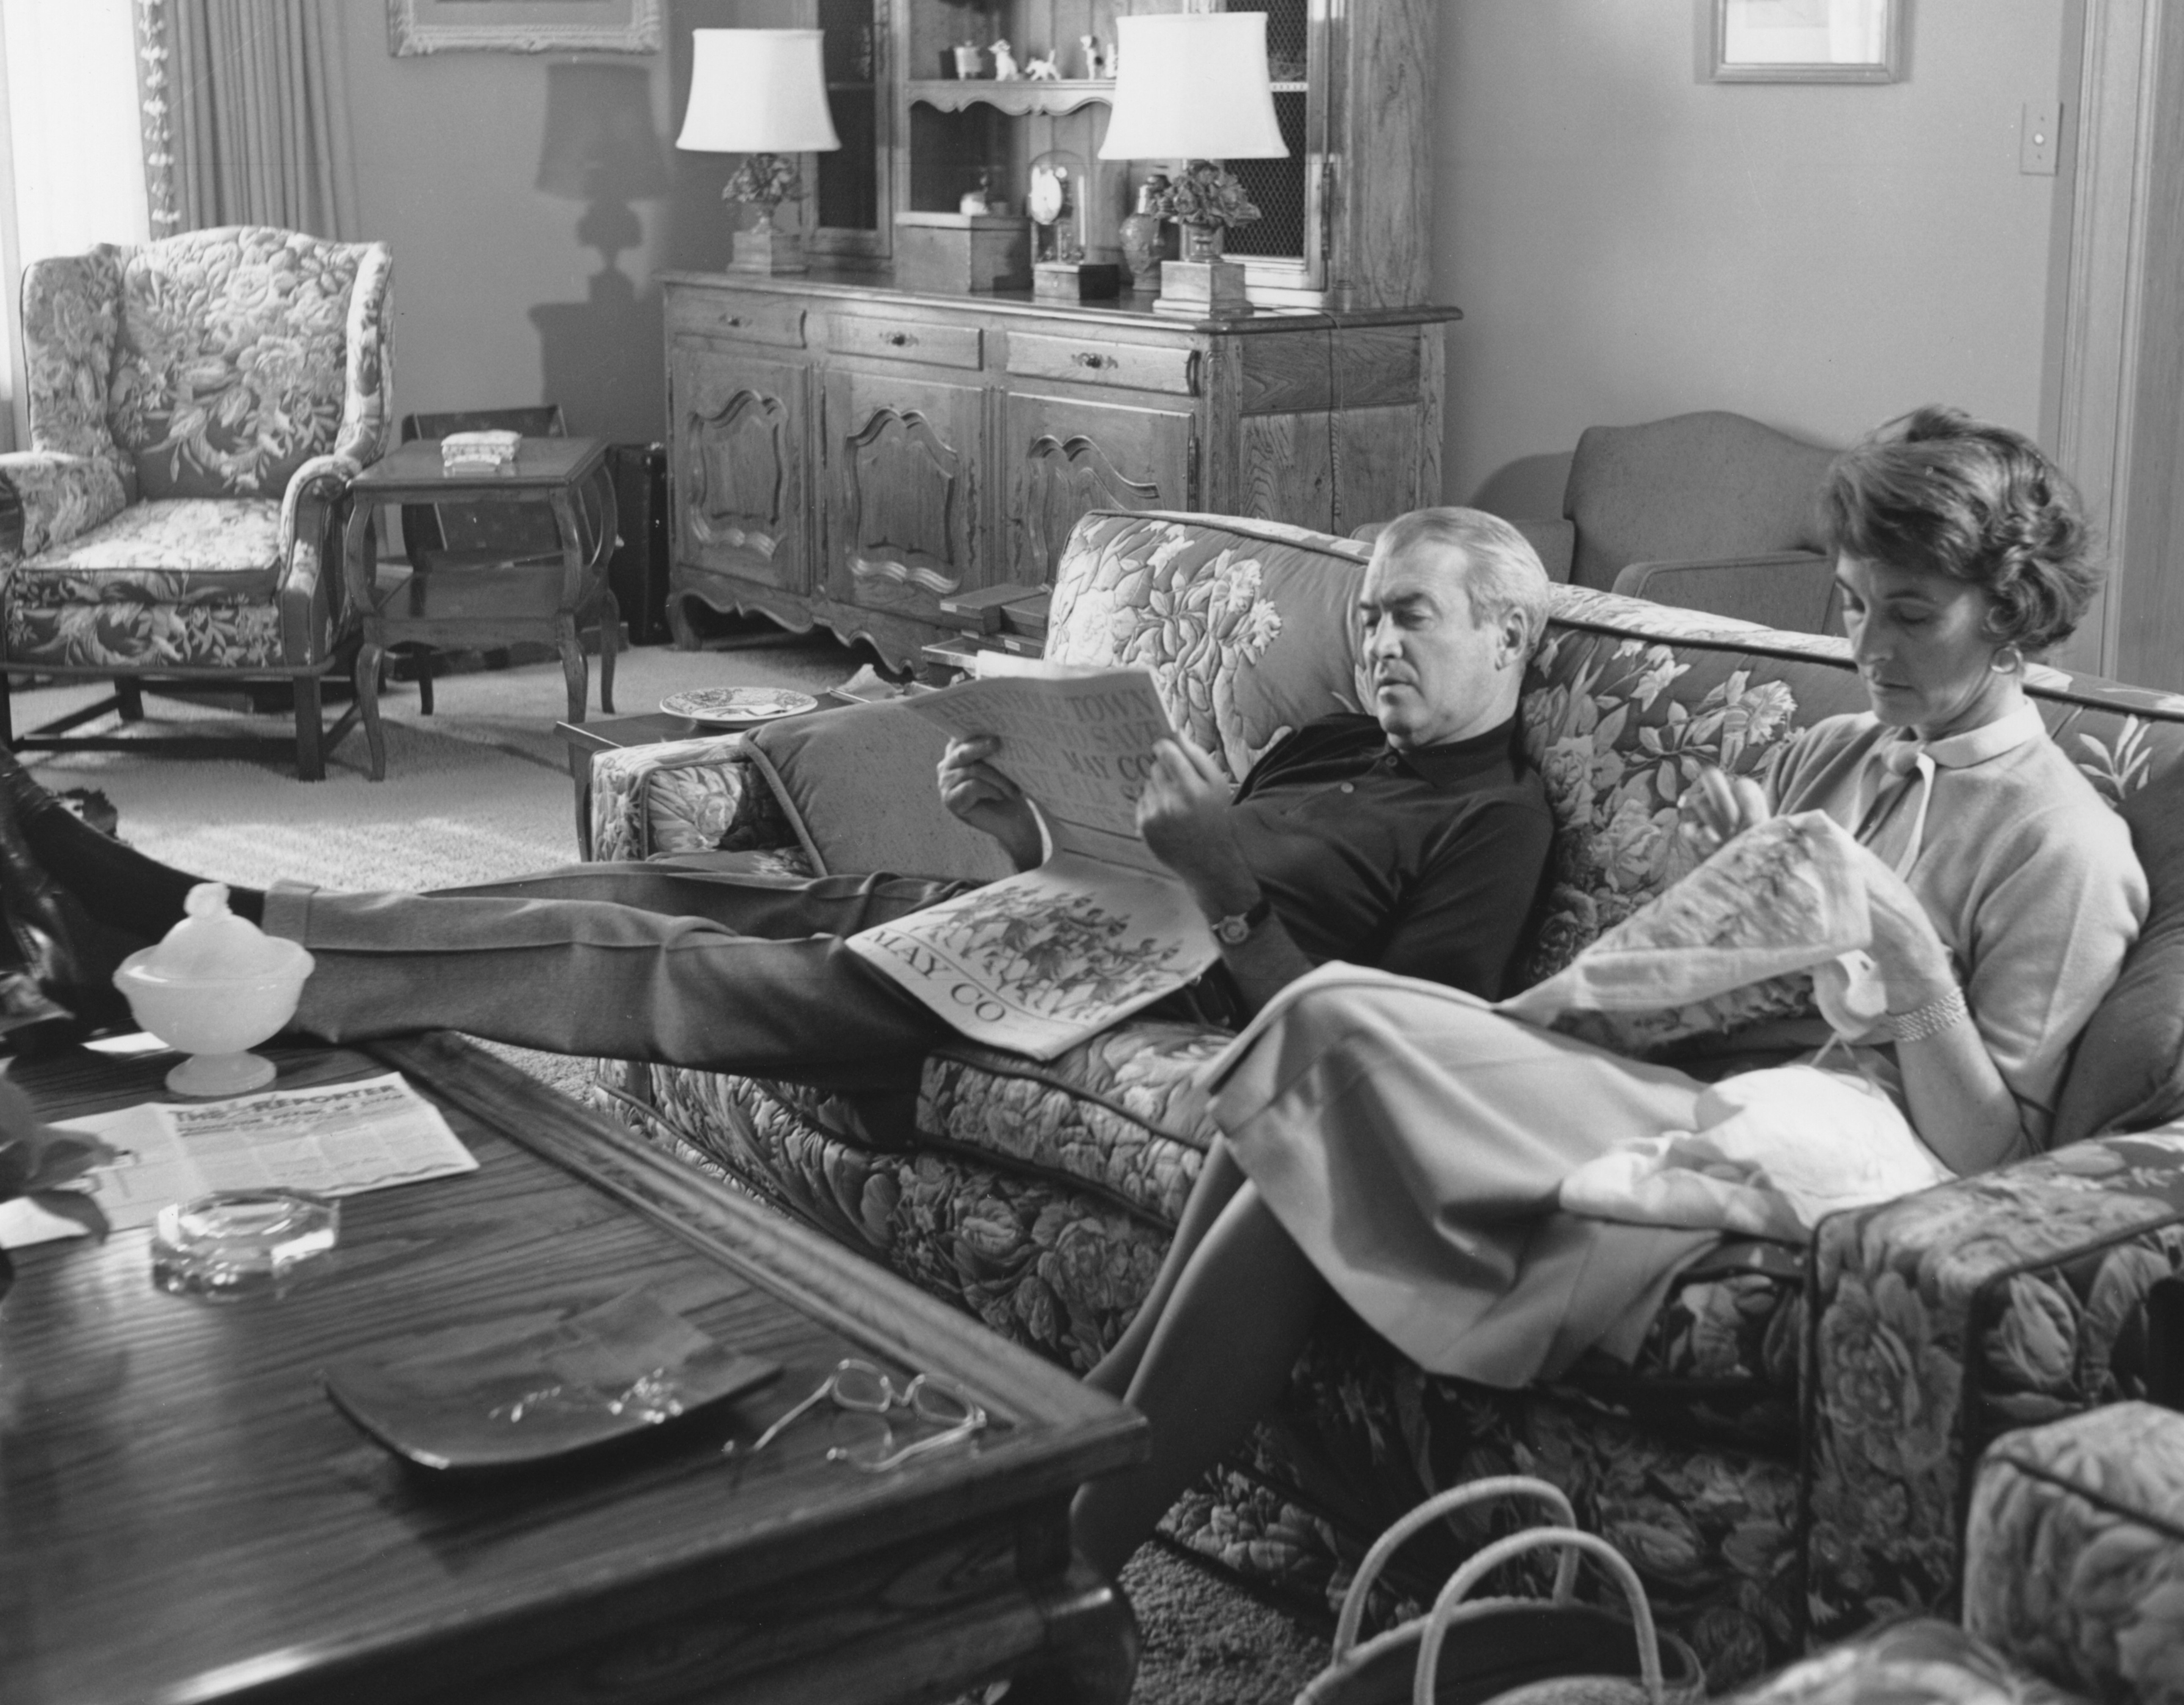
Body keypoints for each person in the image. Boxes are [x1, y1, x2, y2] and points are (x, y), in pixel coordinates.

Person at [1064, 406, 2148, 1581]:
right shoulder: (1829, 752)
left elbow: (2001, 1157)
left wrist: (1903, 947)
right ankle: (1067, 1495)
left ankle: (1066, 1536)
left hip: (1841, 1152)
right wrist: (1720, 901)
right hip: (1693, 1085)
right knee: (1316, 1051)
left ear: (2012, 609)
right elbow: (1704, 983)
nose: (1869, 648)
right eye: (1850, 603)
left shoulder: (2065, 843)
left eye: (1910, 613)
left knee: (1330, 1030)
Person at [0, 509, 1557, 1138]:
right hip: (1026, 921)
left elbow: (1412, 1047)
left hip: (1100, 1001)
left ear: (1509, 635)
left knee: (637, 957)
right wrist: (1027, 817)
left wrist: (1226, 890)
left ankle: (183, 936)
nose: (1377, 650)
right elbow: (1123, 872)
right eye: (1367, 620)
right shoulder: (1328, 740)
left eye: (1413, 623)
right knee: (656, 875)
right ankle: (170, 924)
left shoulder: (1495, 821)